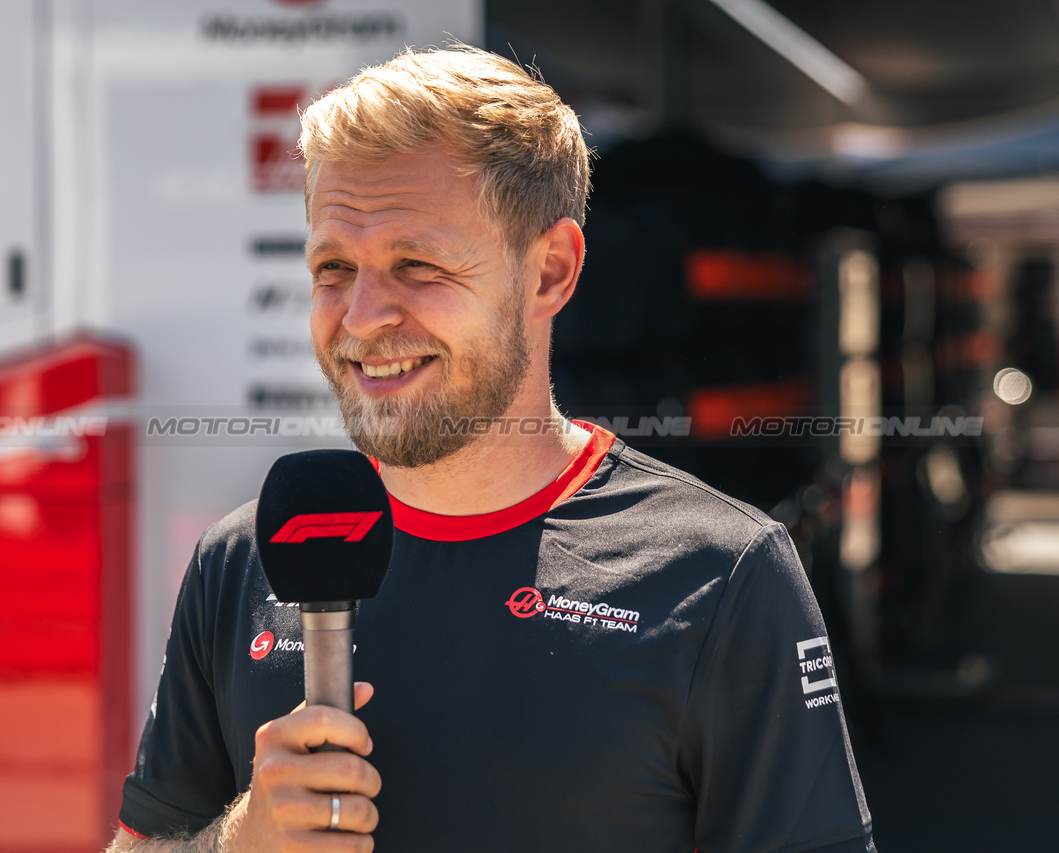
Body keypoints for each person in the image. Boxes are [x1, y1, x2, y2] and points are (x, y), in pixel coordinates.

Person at [108, 45, 875, 853]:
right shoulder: (244, 557)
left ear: (550, 272)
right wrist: (239, 840)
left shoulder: (722, 573)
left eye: (418, 264)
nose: (363, 317)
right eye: (334, 267)